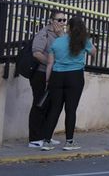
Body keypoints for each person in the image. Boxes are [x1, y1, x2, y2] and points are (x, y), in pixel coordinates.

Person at [40, 16, 96, 151]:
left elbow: (50, 63)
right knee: (71, 110)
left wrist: (48, 81)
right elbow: (93, 51)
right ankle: (69, 142)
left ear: (69, 27)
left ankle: (47, 141)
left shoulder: (57, 42)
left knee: (54, 109)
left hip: (56, 76)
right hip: (75, 76)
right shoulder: (83, 41)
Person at [27, 10, 66, 148]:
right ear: (51, 20)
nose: (62, 23)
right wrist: (51, 63)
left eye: (64, 20)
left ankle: (45, 136)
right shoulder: (44, 33)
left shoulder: (62, 36)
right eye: (59, 20)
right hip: (41, 74)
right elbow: (37, 53)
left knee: (51, 106)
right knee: (39, 104)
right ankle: (34, 138)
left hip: (55, 74)